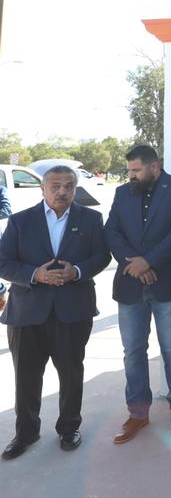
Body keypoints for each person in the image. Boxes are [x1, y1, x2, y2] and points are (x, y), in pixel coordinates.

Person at [0, 166, 110, 460]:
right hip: (27, 313)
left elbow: (102, 256)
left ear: (75, 188)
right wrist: (35, 274)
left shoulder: (91, 219)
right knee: (26, 376)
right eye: (55, 186)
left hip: (72, 310)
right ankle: (26, 433)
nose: (62, 191)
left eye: (69, 186)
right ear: (43, 189)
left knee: (71, 373)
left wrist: (78, 271)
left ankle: (69, 428)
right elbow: (3, 261)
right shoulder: (21, 221)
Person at [105, 144, 171, 443]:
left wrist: (150, 261)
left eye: (136, 170)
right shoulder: (122, 193)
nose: (131, 175)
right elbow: (112, 232)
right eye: (129, 170)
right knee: (132, 351)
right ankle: (138, 413)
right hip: (130, 284)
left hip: (168, 282)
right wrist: (136, 266)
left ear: (154, 167)